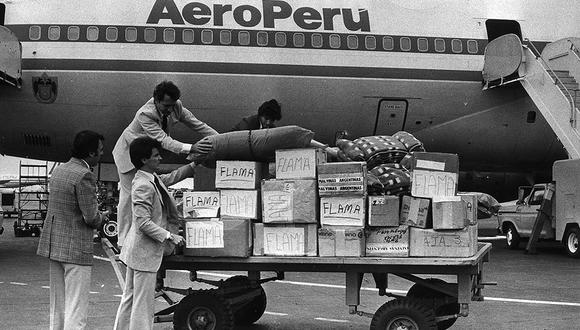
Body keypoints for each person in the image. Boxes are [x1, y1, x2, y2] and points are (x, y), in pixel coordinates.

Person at [112, 80, 218, 248]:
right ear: (156, 100)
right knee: (128, 197)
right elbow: (164, 140)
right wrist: (192, 148)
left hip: (148, 153)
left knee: (155, 188)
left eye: (172, 105)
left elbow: (197, 124)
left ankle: (148, 234)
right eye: (166, 106)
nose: (170, 110)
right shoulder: (145, 114)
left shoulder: (176, 106)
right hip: (128, 156)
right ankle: (123, 241)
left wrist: (220, 140)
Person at [113, 137, 191, 330]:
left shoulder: (150, 178)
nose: (160, 158)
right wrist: (170, 235)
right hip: (144, 253)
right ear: (144, 160)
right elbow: (143, 223)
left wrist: (192, 166)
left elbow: (167, 182)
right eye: (156, 155)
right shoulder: (143, 185)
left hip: (137, 252)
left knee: (130, 299)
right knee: (142, 304)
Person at [37, 130, 108, 330]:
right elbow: (91, 217)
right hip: (75, 248)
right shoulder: (85, 175)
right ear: (91, 153)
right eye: (100, 150)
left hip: (54, 245)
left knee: (58, 307)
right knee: (76, 308)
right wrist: (104, 216)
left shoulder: (59, 170)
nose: (102, 154)